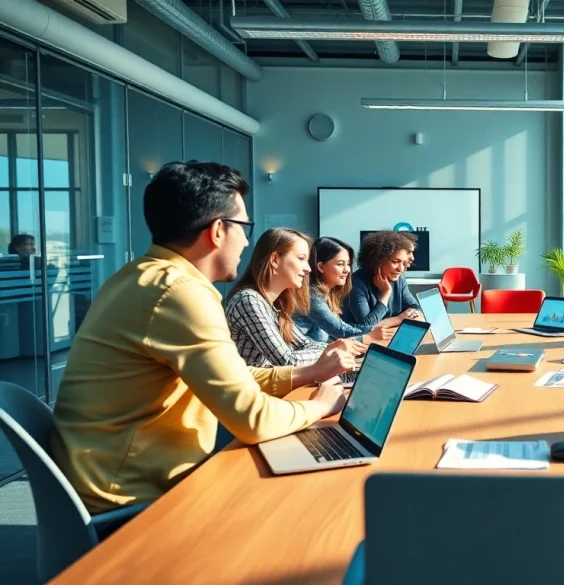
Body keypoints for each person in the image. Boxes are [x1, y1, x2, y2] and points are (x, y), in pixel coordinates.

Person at [51, 161, 357, 514]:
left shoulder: (141, 276)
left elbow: (230, 378)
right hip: (132, 500)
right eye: (244, 227)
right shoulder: (180, 293)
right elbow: (253, 420)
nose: (245, 240)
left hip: (118, 480)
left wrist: (306, 375)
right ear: (216, 232)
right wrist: (319, 406)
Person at [225, 228, 367, 368]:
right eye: (301, 259)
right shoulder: (249, 300)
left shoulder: (275, 304)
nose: (308, 269)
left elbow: (304, 344)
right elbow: (288, 360)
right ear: (274, 259)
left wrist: (337, 347)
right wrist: (334, 350)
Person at [295, 236, 400, 343]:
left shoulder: (327, 294)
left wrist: (379, 331)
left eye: (348, 264)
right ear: (321, 267)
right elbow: (341, 331)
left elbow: (344, 327)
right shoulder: (311, 296)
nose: (347, 270)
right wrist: (375, 333)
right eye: (340, 264)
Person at [344, 230, 422, 329]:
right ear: (378, 261)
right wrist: (386, 293)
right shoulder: (356, 284)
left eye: (403, 263)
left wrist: (384, 324)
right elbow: (366, 326)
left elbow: (416, 309)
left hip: (387, 337)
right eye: (395, 262)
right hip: (357, 342)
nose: (400, 269)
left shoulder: (399, 280)